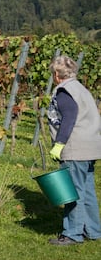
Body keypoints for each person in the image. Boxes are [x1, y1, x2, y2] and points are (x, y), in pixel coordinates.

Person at [45, 55, 101, 246]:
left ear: (56, 74)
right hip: (90, 147)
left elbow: (69, 117)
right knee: (86, 190)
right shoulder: (81, 89)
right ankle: (93, 230)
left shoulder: (64, 91)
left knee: (73, 192)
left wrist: (59, 144)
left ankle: (73, 233)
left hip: (75, 148)